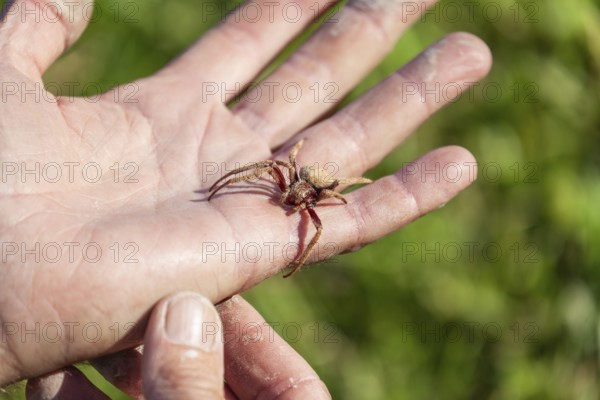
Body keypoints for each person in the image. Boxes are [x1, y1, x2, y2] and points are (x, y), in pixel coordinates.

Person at [0, 0, 492, 398]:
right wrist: (221, 185)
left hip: (323, 176)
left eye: (300, 196)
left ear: (309, 195)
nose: (291, 200)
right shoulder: (283, 178)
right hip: (300, 170)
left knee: (309, 193)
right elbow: (268, 168)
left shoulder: (314, 201)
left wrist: (303, 245)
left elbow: (318, 219)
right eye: (295, 193)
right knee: (263, 170)